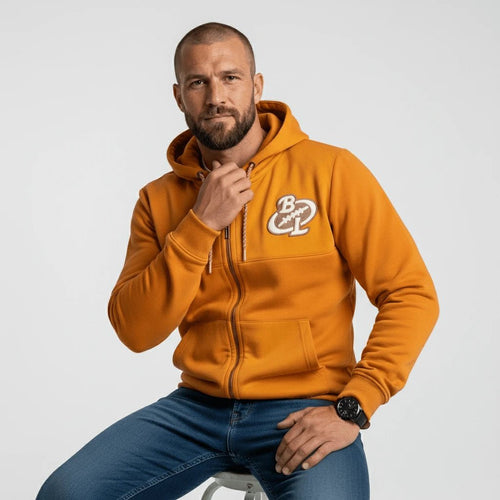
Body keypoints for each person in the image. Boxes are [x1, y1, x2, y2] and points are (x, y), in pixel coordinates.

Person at [37, 22, 439, 499]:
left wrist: (354, 405)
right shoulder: (157, 200)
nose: (216, 97)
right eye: (198, 82)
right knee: (66, 493)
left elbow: (410, 294)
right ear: (179, 97)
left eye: (230, 77)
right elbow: (135, 330)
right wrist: (200, 224)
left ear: (257, 86)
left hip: (304, 410)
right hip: (196, 410)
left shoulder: (331, 171)